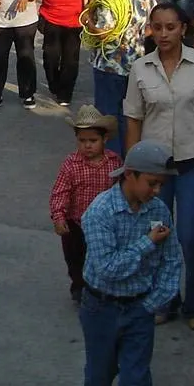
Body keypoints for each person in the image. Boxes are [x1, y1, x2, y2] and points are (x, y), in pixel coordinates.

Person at [124, 2, 194, 329]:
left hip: (193, 162)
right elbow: (133, 119)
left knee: (190, 234)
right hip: (154, 168)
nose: (163, 34)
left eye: (170, 27)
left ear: (183, 29)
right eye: (157, 27)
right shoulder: (140, 69)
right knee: (158, 234)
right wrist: (132, 171)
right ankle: (166, 299)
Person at [78, 140, 183, 386]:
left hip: (139, 308)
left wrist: (151, 304)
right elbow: (108, 268)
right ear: (129, 174)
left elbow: (172, 260)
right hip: (100, 309)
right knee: (100, 375)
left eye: (161, 184)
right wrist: (147, 243)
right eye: (152, 183)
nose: (157, 191)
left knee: (137, 384)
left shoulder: (159, 211)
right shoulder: (100, 212)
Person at [51, 105, 123, 304]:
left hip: (104, 224)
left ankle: (99, 288)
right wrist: (59, 216)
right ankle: (79, 285)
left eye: (93, 141)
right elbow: (60, 192)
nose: (87, 146)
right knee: (75, 258)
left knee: (102, 257)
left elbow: (120, 190)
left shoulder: (114, 162)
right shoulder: (71, 164)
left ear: (104, 139)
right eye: (82, 141)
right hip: (76, 223)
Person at [87, 0, 155, 156]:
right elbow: (153, 26)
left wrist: (88, 22)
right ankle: (131, 155)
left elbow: (103, 33)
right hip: (136, 64)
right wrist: (137, 35)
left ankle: (113, 159)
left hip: (109, 66)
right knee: (131, 115)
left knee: (109, 116)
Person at [37, 0, 96, 108]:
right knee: (50, 57)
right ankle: (54, 84)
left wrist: (89, 8)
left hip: (75, 18)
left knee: (70, 59)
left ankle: (66, 92)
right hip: (50, 17)